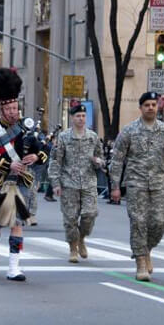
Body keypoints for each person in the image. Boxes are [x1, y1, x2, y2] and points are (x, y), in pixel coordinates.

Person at [0, 68, 49, 281]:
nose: (14, 112)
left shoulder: (27, 128)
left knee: (17, 223)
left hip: (20, 182)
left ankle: (14, 267)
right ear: (1, 110)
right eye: (10, 108)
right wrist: (8, 165)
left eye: (16, 107)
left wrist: (36, 157)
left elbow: (43, 148)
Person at [109, 92, 164, 282]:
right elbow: (117, 160)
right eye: (147, 105)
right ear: (141, 108)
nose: (151, 108)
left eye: (154, 104)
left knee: (160, 222)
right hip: (136, 183)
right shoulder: (129, 131)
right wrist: (115, 186)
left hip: (159, 183)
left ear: (158, 107)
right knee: (138, 222)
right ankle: (140, 263)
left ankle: (146, 250)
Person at [48, 103, 103, 263]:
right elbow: (56, 161)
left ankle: (82, 237)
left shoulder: (93, 137)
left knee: (90, 215)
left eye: (83, 116)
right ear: (72, 118)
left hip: (89, 183)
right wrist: (56, 183)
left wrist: (98, 161)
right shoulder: (64, 137)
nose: (81, 118)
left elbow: (101, 159)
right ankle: (73, 247)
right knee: (70, 218)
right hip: (68, 183)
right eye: (78, 116)